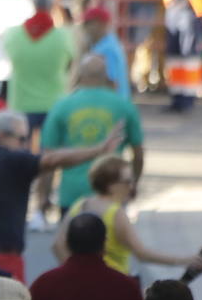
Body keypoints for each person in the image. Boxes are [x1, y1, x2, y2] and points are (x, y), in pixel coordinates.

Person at [0, 109, 121, 281]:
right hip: (3, 260)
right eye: (22, 139)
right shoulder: (12, 160)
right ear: (1, 136)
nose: (26, 146)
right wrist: (99, 150)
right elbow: (53, 160)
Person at [53, 155, 202, 276]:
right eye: (128, 181)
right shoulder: (115, 213)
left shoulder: (80, 205)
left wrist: (75, 274)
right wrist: (183, 260)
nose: (132, 186)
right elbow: (141, 253)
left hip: (82, 283)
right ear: (111, 185)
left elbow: (58, 245)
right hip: (114, 284)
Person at [42, 55, 144, 220]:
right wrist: (132, 185)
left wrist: (44, 197)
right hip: (112, 192)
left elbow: (48, 158)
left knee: (71, 244)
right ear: (105, 76)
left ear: (79, 75)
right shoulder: (124, 105)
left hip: (72, 195)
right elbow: (138, 153)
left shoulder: (62, 106)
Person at [3, 0, 74, 142]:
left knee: (20, 154)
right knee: (49, 155)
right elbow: (71, 63)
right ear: (52, 6)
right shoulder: (63, 37)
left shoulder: (13, 34)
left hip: (20, 103)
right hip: (53, 103)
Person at [83, 5, 129, 98]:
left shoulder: (108, 49)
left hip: (112, 106)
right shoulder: (105, 43)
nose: (86, 28)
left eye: (89, 23)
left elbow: (112, 83)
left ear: (101, 24)